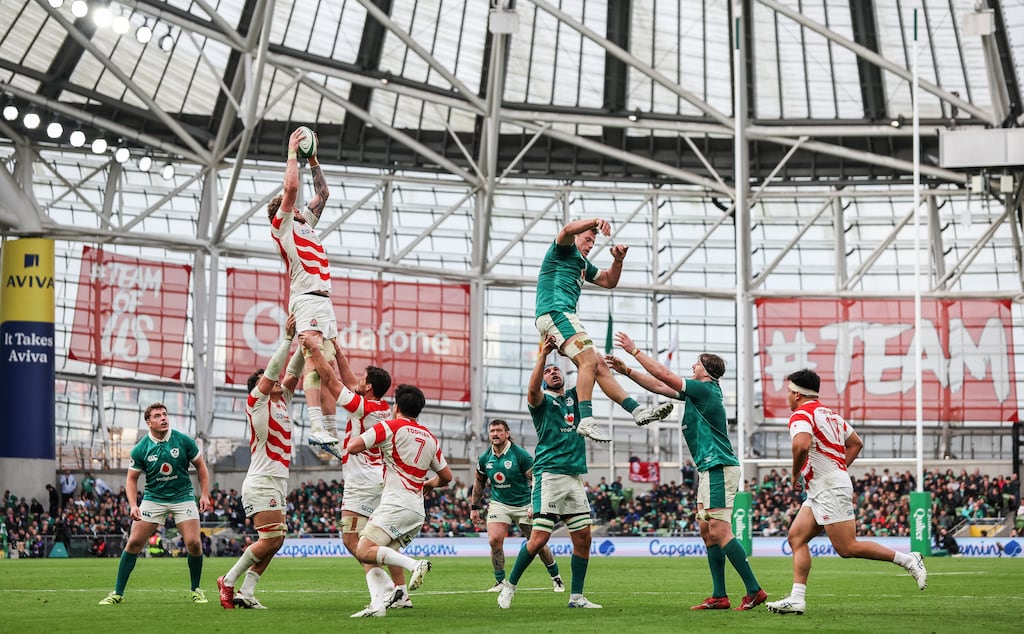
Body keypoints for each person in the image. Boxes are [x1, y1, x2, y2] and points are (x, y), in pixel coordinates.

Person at [606, 334, 766, 610]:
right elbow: (659, 385)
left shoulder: (706, 389)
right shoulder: (698, 393)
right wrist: (628, 371)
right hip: (708, 468)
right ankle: (719, 596)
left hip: (718, 465)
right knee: (707, 531)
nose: (693, 366)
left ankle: (754, 590)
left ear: (707, 371)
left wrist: (634, 351)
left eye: (697, 363)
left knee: (719, 529)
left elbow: (664, 375)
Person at [764, 369, 927, 615]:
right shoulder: (830, 415)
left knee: (847, 547)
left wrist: (796, 474)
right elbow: (856, 443)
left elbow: (801, 445)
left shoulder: (801, 414)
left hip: (828, 487)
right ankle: (797, 598)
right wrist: (837, 469)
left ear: (797, 394)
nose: (787, 396)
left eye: (789, 391)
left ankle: (908, 559)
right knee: (796, 537)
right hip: (824, 487)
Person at [534, 218, 673, 442]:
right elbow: (567, 229)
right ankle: (586, 420)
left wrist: (618, 260)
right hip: (555, 312)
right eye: (587, 239)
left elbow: (609, 281)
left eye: (593, 241)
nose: (590, 245)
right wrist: (596, 220)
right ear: (576, 237)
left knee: (598, 363)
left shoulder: (582, 264)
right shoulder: (562, 250)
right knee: (589, 360)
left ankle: (637, 411)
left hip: (563, 316)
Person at [302, 334, 413, 611]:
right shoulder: (380, 407)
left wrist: (315, 349)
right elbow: (351, 383)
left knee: (353, 540)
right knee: (383, 540)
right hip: (377, 479)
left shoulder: (363, 407)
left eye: (363, 379)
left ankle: (385, 590)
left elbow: (332, 381)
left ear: (370, 386)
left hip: (361, 482)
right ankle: (401, 593)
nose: (358, 381)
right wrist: (339, 352)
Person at [498, 336, 602, 610]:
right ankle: (509, 586)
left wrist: (572, 353)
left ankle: (576, 597)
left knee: (584, 538)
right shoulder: (541, 402)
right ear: (543, 379)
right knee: (539, 539)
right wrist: (543, 356)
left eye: (556, 369)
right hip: (549, 475)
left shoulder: (576, 397)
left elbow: (589, 371)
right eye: (548, 371)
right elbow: (532, 391)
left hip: (574, 476)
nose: (553, 372)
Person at [345, 384, 453, 618]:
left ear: (396, 407)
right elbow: (446, 477)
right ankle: (379, 605)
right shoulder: (430, 437)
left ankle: (415, 565)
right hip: (416, 510)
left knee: (363, 548)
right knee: (374, 553)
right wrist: (429, 483)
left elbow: (353, 447)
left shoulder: (389, 427)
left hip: (396, 503)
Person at [217, 316, 299, 610]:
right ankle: (228, 580)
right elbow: (276, 371)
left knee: (277, 540)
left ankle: (247, 592)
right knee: (269, 539)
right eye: (270, 379)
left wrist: (307, 343)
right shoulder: (256, 402)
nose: (278, 380)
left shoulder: (281, 400)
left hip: (277, 480)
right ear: (260, 387)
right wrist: (287, 339)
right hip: (262, 480)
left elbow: (293, 372)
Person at [269, 126, 340, 454]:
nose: (299, 207)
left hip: (323, 300)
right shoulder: (283, 225)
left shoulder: (304, 224)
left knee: (328, 365)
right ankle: (315, 427)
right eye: (293, 206)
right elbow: (292, 187)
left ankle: (330, 431)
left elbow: (323, 194)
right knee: (313, 359)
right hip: (307, 299)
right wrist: (292, 151)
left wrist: (313, 159)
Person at [98, 402, 213, 605]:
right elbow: (131, 479)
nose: (163, 418)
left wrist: (204, 495)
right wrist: (133, 505)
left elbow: (201, 468)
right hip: (153, 499)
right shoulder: (140, 448)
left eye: (165, 414)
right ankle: (117, 593)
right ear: (149, 422)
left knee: (194, 544)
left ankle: (196, 589)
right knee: (133, 543)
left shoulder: (183, 441)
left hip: (183, 497)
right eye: (157, 416)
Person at [469, 419, 564, 593]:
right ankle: (500, 581)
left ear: (507, 434)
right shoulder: (484, 458)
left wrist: (535, 505)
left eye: (499, 430)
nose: (495, 434)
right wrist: (474, 507)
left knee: (537, 544)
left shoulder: (520, 455)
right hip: (499, 504)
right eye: (492, 431)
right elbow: (479, 482)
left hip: (524, 504)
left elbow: (536, 479)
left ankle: (555, 576)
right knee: (494, 540)